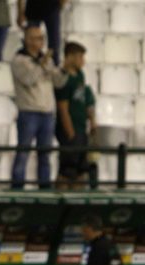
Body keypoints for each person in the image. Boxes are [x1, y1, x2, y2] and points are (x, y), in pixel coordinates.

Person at [11, 25, 67, 189]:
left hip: (47, 113)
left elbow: (59, 83)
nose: (41, 42)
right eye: (37, 38)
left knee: (45, 155)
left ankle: (44, 188)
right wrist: (42, 64)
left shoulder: (46, 60)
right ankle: (17, 189)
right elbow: (29, 79)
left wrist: (63, 70)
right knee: (23, 153)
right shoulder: (19, 60)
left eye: (42, 38)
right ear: (28, 40)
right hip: (29, 112)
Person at [55, 42, 96, 190]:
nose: (83, 61)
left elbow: (84, 100)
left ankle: (78, 199)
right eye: (80, 57)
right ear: (70, 57)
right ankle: (61, 198)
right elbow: (63, 108)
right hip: (70, 131)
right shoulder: (63, 79)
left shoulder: (80, 75)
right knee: (67, 169)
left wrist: (91, 120)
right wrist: (70, 132)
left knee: (81, 168)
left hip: (81, 128)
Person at [17, 0, 68, 65]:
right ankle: (29, 65)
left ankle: (54, 65)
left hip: (52, 7)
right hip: (33, 8)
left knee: (54, 43)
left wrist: (61, 4)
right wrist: (20, 12)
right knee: (30, 41)